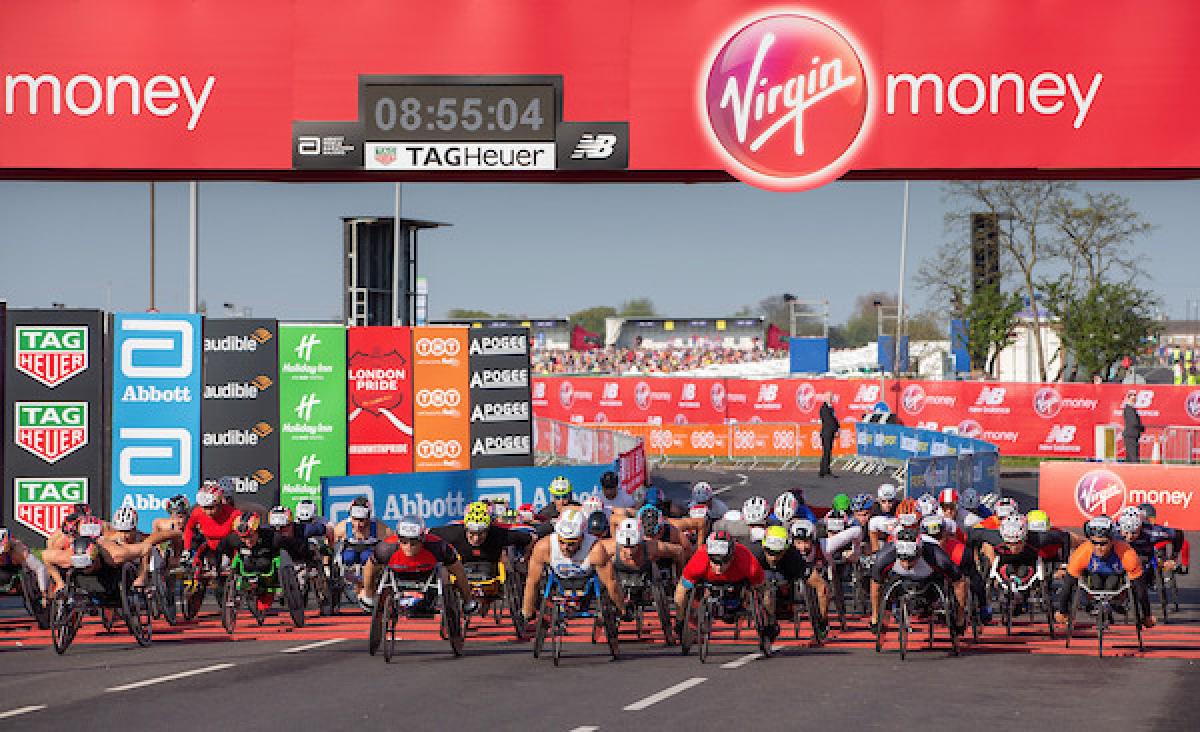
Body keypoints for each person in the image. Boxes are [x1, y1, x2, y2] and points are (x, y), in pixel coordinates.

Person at [521, 508, 616, 625]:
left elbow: (611, 582)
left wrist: (621, 609)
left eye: (571, 543)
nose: (565, 547)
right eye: (561, 542)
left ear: (581, 538)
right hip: (559, 580)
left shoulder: (595, 548)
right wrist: (527, 611)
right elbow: (532, 581)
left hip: (587, 582)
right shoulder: (544, 547)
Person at [1056, 515, 1152, 627]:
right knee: (1094, 582)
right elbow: (1067, 585)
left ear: (1112, 540)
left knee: (1112, 582)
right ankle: (1091, 606)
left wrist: (1146, 615)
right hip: (1092, 580)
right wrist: (1062, 612)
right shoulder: (1082, 552)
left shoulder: (1126, 552)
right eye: (1094, 543)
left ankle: (1114, 605)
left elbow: (1140, 589)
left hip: (1116, 581)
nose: (1098, 547)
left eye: (1103, 543)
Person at [674, 530, 772, 639]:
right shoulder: (699, 560)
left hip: (737, 583)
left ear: (732, 556)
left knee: (766, 592)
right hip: (709, 582)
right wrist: (680, 620)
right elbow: (681, 590)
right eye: (715, 561)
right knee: (685, 591)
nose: (719, 567)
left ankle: (771, 622)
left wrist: (769, 619)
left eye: (724, 561)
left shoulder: (747, 562)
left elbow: (764, 589)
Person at [374, 515, 476, 615]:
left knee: (445, 572)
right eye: (404, 541)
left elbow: (459, 571)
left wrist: (467, 600)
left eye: (413, 542)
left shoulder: (439, 547)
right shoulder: (385, 549)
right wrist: (368, 594)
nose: (408, 546)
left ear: (422, 539)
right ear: (398, 538)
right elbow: (370, 569)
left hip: (427, 578)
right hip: (398, 577)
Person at [591, 518, 684, 624]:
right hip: (618, 579)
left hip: (644, 579)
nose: (629, 552)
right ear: (619, 544)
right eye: (625, 547)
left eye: (633, 547)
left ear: (640, 542)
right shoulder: (608, 547)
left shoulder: (652, 547)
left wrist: (679, 578)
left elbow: (679, 551)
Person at [870, 527, 966, 630]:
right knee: (881, 584)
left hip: (930, 579)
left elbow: (960, 582)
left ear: (919, 552)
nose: (906, 564)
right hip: (898, 578)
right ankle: (885, 612)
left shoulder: (937, 557)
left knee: (954, 582)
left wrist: (960, 616)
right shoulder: (884, 557)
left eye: (911, 559)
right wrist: (875, 616)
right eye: (903, 559)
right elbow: (876, 584)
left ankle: (957, 618)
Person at [332, 496, 394, 609]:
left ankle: (369, 588)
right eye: (355, 519)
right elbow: (329, 544)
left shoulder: (380, 528)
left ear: (368, 517)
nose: (358, 524)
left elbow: (393, 541)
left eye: (362, 520)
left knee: (367, 557)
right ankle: (356, 585)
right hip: (350, 556)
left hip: (369, 554)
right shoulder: (342, 528)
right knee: (348, 557)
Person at [818, 392, 839, 478]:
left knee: (828, 451)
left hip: (830, 432)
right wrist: (835, 429)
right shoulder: (824, 408)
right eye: (829, 397)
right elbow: (829, 420)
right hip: (826, 432)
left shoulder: (830, 407)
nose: (830, 398)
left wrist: (838, 428)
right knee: (826, 451)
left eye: (831, 397)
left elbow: (834, 419)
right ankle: (824, 471)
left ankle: (826, 469)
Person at [1122, 391, 1144, 463]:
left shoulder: (1131, 409)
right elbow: (1134, 422)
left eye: (1135, 399)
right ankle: (1136, 471)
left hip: (1132, 435)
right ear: (1128, 399)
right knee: (1133, 457)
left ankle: (1129, 471)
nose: (1134, 401)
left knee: (1130, 457)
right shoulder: (1129, 409)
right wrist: (1141, 427)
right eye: (1132, 399)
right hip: (1131, 435)